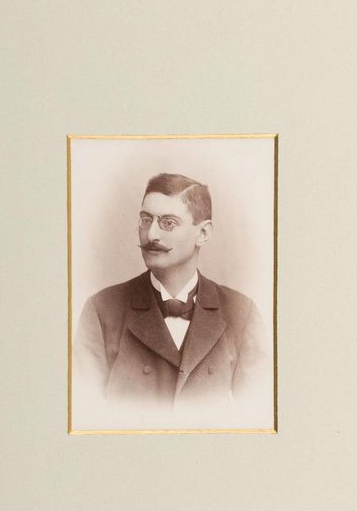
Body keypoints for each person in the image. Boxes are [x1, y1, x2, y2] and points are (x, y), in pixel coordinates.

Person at [73, 173, 271, 413]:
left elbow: (256, 414)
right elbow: (87, 414)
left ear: (203, 233)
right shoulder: (102, 311)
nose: (151, 235)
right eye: (146, 220)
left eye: (168, 223)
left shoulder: (241, 313)